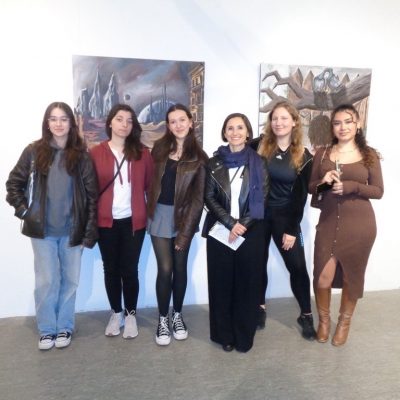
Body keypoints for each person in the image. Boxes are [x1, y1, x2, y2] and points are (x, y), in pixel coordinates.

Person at [6, 102, 98, 350]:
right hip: (42, 232)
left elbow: (92, 197)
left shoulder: (81, 156)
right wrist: (26, 212)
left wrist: (89, 232)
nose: (58, 124)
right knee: (47, 281)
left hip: (72, 231)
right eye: (53, 119)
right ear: (47, 123)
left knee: (71, 281)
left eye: (64, 119)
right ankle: (47, 329)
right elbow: (13, 184)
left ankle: (65, 326)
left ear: (71, 123)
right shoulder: (33, 152)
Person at [308, 104, 383, 346]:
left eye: (348, 122)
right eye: (338, 123)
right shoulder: (322, 153)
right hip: (328, 223)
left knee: (352, 276)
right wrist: (325, 181)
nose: (343, 127)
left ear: (357, 124)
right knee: (322, 277)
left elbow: (378, 191)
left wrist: (351, 187)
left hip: (360, 226)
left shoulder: (369, 155)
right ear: (333, 127)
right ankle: (324, 321)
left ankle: (344, 322)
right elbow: (312, 188)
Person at [203, 113, 268, 352]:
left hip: (251, 233)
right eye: (230, 128)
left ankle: (243, 336)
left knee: (246, 285)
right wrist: (231, 223)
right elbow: (208, 197)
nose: (235, 132)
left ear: (248, 132)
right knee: (220, 285)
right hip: (221, 231)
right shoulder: (213, 163)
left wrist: (242, 225)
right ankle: (224, 335)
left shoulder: (259, 162)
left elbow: (262, 198)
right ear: (224, 133)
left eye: (240, 127)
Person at [251, 101, 316, 340]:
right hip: (259, 216)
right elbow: (234, 151)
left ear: (294, 122)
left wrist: (291, 228)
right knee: (258, 263)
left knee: (297, 267)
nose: (278, 123)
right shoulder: (258, 146)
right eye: (275, 118)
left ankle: (306, 314)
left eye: (284, 118)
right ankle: (259, 307)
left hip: (285, 218)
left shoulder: (304, 156)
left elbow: (301, 196)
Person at [90, 104, 154, 339]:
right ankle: (116, 313)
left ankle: (130, 315)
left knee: (129, 270)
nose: (124, 124)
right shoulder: (95, 153)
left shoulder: (143, 153)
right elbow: (90, 189)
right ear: (110, 122)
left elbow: (150, 186)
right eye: (119, 119)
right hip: (105, 221)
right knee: (111, 269)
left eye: (129, 120)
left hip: (133, 222)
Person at [147, 104, 207, 346]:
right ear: (168, 126)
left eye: (182, 120)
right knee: (165, 269)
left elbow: (198, 200)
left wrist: (185, 233)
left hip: (184, 218)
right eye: (173, 121)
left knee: (180, 269)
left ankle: (177, 315)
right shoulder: (159, 150)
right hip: (159, 215)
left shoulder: (199, 157)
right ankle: (163, 319)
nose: (178, 125)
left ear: (190, 122)